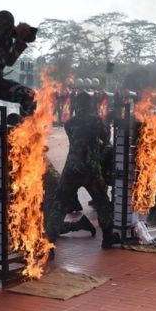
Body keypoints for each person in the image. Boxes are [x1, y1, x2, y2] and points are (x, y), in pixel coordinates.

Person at [46, 92, 120, 249]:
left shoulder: (69, 123)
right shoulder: (97, 121)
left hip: (71, 168)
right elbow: (106, 138)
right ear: (91, 104)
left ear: (77, 104)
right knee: (102, 203)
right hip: (91, 169)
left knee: (59, 205)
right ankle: (107, 238)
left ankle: (49, 242)